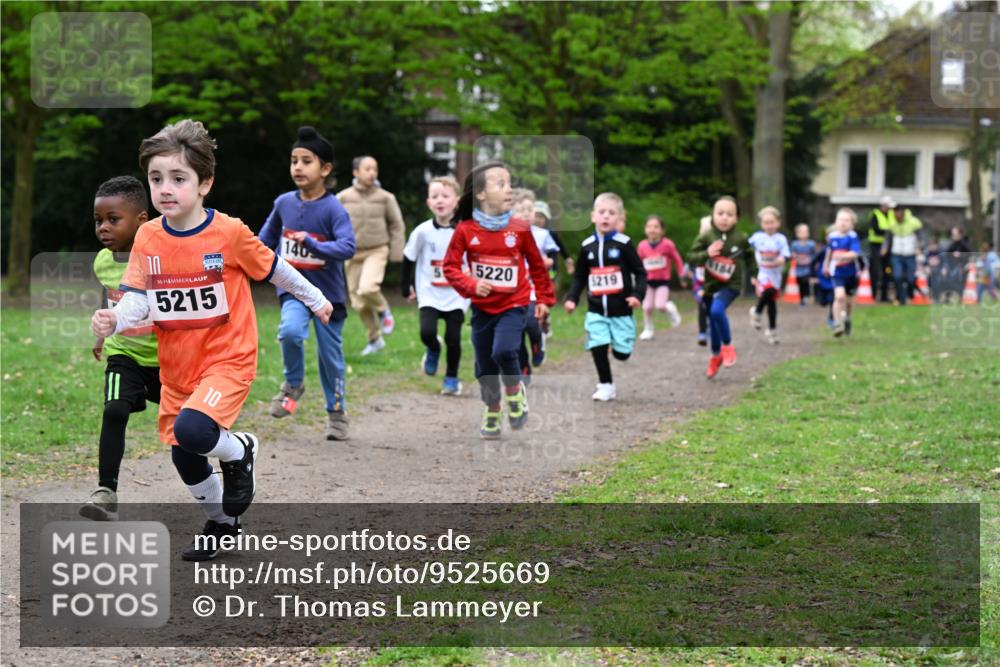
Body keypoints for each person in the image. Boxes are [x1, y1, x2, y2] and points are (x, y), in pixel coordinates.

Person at [91, 119, 333, 560]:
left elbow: (275, 268)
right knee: (185, 454)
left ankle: (242, 449)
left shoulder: (228, 232)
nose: (165, 189)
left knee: (194, 429)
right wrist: (116, 320)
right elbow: (139, 300)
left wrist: (315, 298)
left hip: (228, 357)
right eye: (156, 179)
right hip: (177, 363)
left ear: (205, 183)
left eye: (178, 179)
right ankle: (223, 524)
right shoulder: (148, 236)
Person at [441, 162, 554, 439]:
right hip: (482, 309)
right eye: (500, 184)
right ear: (480, 194)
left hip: (514, 304)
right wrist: (471, 284)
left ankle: (515, 392)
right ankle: (492, 408)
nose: (509, 189)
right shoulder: (466, 230)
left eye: (510, 183)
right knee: (485, 368)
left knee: (504, 351)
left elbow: (537, 267)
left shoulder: (520, 229)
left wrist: (543, 298)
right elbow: (451, 267)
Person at [258, 126, 356, 440]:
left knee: (330, 358)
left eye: (306, 161)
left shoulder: (333, 208)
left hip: (328, 296)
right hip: (293, 291)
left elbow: (347, 247)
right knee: (288, 332)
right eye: (294, 161)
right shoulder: (283, 203)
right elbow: (263, 241)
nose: (297, 167)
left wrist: (314, 244)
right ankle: (293, 383)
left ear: (325, 168)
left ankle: (337, 413)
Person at [80, 176, 158, 521]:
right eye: (99, 220)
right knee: (114, 411)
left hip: (166, 357)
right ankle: (105, 491)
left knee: (187, 427)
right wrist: (101, 335)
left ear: (141, 220)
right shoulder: (102, 261)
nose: (103, 228)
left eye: (114, 219)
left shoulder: (161, 257)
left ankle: (221, 476)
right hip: (123, 352)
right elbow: (109, 297)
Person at [564, 193, 646, 401]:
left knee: (622, 354)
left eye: (611, 213)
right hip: (596, 310)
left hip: (622, 310)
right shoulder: (587, 246)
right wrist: (572, 298)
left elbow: (640, 272)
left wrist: (637, 295)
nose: (606, 217)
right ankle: (605, 384)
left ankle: (620, 344)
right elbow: (580, 276)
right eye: (602, 212)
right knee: (598, 345)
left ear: (619, 218)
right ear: (593, 216)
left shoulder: (624, 244)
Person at [401, 175, 469, 395]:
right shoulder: (422, 231)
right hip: (429, 291)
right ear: (428, 202)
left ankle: (451, 377)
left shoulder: (465, 230)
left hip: (457, 294)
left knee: (453, 337)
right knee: (427, 331)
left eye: (445, 196)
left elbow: (474, 257)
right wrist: (406, 286)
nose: (440, 200)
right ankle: (433, 348)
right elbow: (408, 258)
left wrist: (472, 278)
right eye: (434, 196)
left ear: (456, 201)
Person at [337, 156, 405, 355]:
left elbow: (396, 225)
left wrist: (396, 252)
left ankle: (384, 310)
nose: (372, 173)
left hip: (377, 249)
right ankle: (375, 338)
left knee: (368, 287)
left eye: (374, 169)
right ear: (355, 172)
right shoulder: (343, 197)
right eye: (367, 169)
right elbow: (332, 222)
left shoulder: (386, 197)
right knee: (358, 302)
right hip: (351, 252)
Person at [687, 196, 756, 379]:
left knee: (717, 311)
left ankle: (728, 346)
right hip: (710, 286)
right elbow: (691, 257)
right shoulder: (705, 237)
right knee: (714, 322)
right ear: (713, 215)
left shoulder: (740, 238)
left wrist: (755, 275)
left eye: (729, 214)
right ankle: (716, 355)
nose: (724, 217)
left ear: (736, 218)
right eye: (720, 213)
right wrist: (706, 253)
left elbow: (749, 256)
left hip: (730, 286)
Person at [636, 214, 686, 340]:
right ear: (645, 229)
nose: (652, 229)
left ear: (662, 230)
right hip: (647, 281)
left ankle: (671, 309)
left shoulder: (667, 245)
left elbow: (677, 259)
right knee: (646, 307)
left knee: (660, 306)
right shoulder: (642, 246)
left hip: (663, 281)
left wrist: (681, 274)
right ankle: (648, 329)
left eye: (656, 227)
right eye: (649, 226)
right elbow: (637, 263)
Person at [748, 206, 791, 344]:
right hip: (763, 273)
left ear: (778, 223)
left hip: (776, 274)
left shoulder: (781, 239)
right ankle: (757, 311)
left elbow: (786, 253)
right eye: (766, 222)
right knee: (769, 290)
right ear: (762, 224)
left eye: (772, 222)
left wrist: (782, 259)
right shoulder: (757, 237)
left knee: (772, 302)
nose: (769, 225)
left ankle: (772, 330)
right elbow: (745, 248)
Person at [823, 208, 863, 337]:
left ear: (852, 224)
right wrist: (826, 265)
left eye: (846, 220)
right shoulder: (832, 237)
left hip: (851, 272)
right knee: (839, 297)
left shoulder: (852, 237)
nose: (843, 223)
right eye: (840, 219)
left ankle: (847, 318)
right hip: (837, 271)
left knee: (849, 301)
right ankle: (837, 323)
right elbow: (829, 253)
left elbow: (855, 253)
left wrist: (843, 256)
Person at [888, 207, 922, 305]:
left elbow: (921, 237)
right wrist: (885, 248)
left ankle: (910, 295)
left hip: (910, 255)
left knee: (910, 279)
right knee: (897, 277)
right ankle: (902, 300)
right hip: (896, 255)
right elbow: (888, 238)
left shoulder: (913, 223)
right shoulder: (892, 224)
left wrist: (920, 247)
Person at [866, 196, 895, 303]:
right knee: (875, 270)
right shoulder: (875, 214)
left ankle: (884, 296)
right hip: (875, 245)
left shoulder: (891, 214)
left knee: (887, 270)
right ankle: (873, 295)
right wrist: (888, 231)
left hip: (887, 245)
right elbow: (876, 229)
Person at [790, 223, 817, 306]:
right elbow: (791, 254)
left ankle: (807, 296)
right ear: (797, 233)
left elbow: (814, 254)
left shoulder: (811, 244)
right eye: (802, 231)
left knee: (807, 281)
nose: (804, 233)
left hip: (808, 268)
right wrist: (794, 256)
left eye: (806, 231)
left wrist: (814, 264)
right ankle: (802, 299)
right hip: (799, 268)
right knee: (800, 283)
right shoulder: (794, 244)